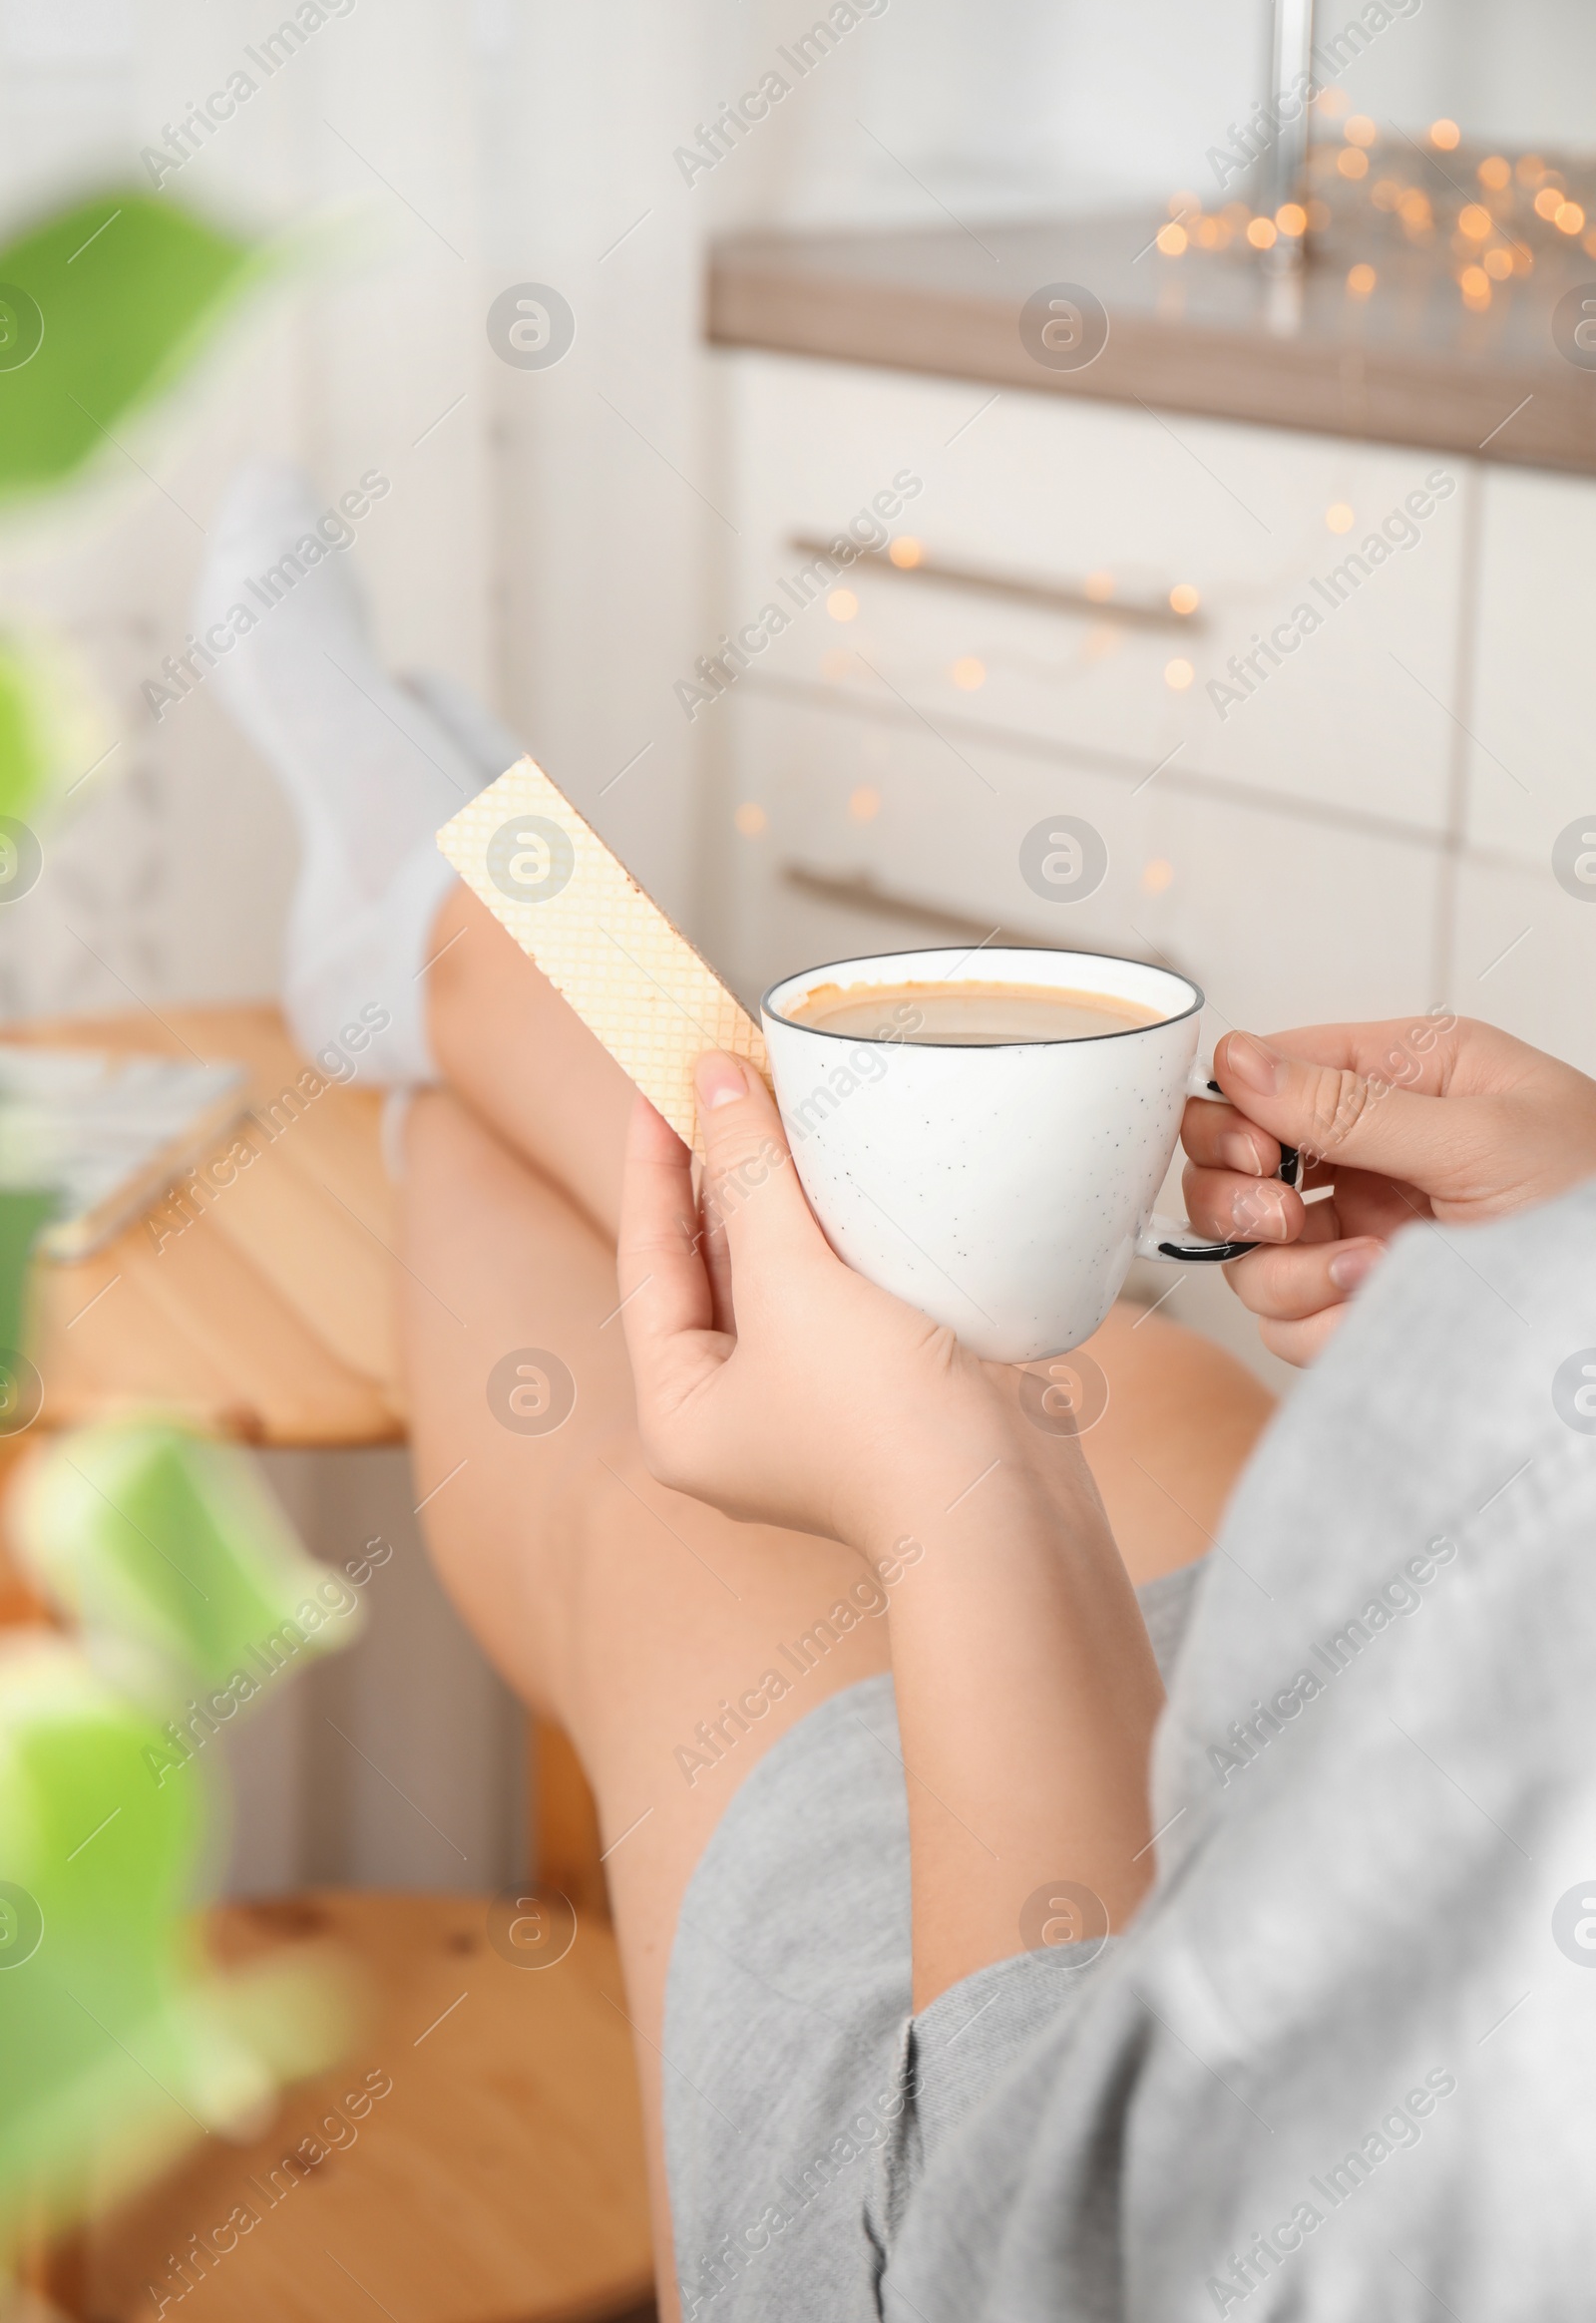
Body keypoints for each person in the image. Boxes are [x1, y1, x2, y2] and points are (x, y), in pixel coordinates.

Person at [200, 467, 1596, 2317]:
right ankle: (446, 903)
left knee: (604, 1327)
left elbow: (1035, 2242)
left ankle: (448, 909)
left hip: (1019, 2098)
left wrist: (967, 1495)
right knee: (1014, 1333)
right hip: (1366, 1686)